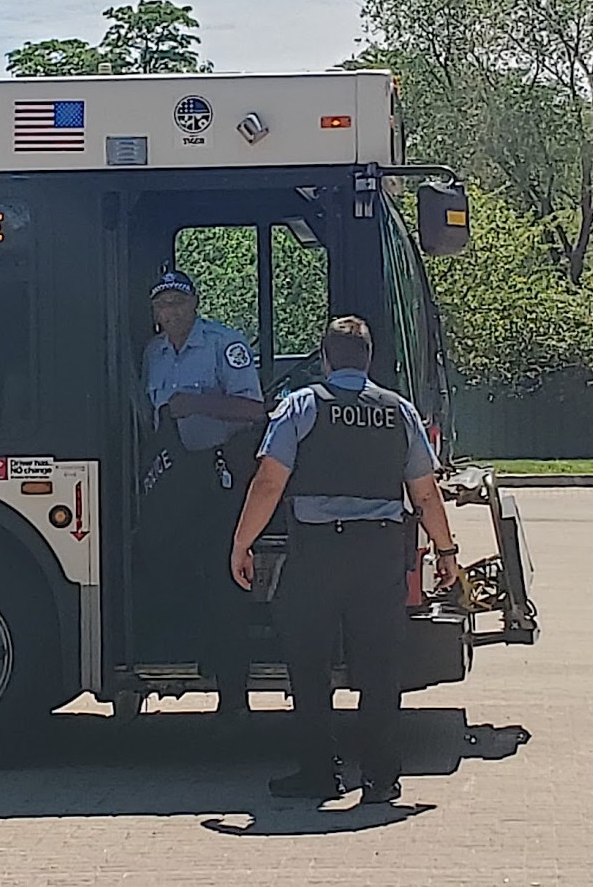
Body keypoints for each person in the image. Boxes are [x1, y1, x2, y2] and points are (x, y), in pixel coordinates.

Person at [229, 315, 461, 800]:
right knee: (379, 668)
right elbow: (425, 494)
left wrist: (242, 543)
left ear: (325, 358)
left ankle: (320, 773)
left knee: (309, 666)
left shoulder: (302, 406)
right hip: (379, 553)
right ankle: (380, 778)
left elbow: (270, 481)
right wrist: (446, 553)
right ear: (369, 358)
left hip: (317, 553)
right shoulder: (398, 410)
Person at [138, 270, 266, 715]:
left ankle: (234, 697)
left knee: (222, 580)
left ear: (195, 305)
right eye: (162, 305)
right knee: (161, 564)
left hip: (218, 475)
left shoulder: (222, 345)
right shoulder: (153, 353)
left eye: (177, 303)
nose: (170, 312)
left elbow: (255, 409)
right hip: (173, 477)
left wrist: (199, 404)